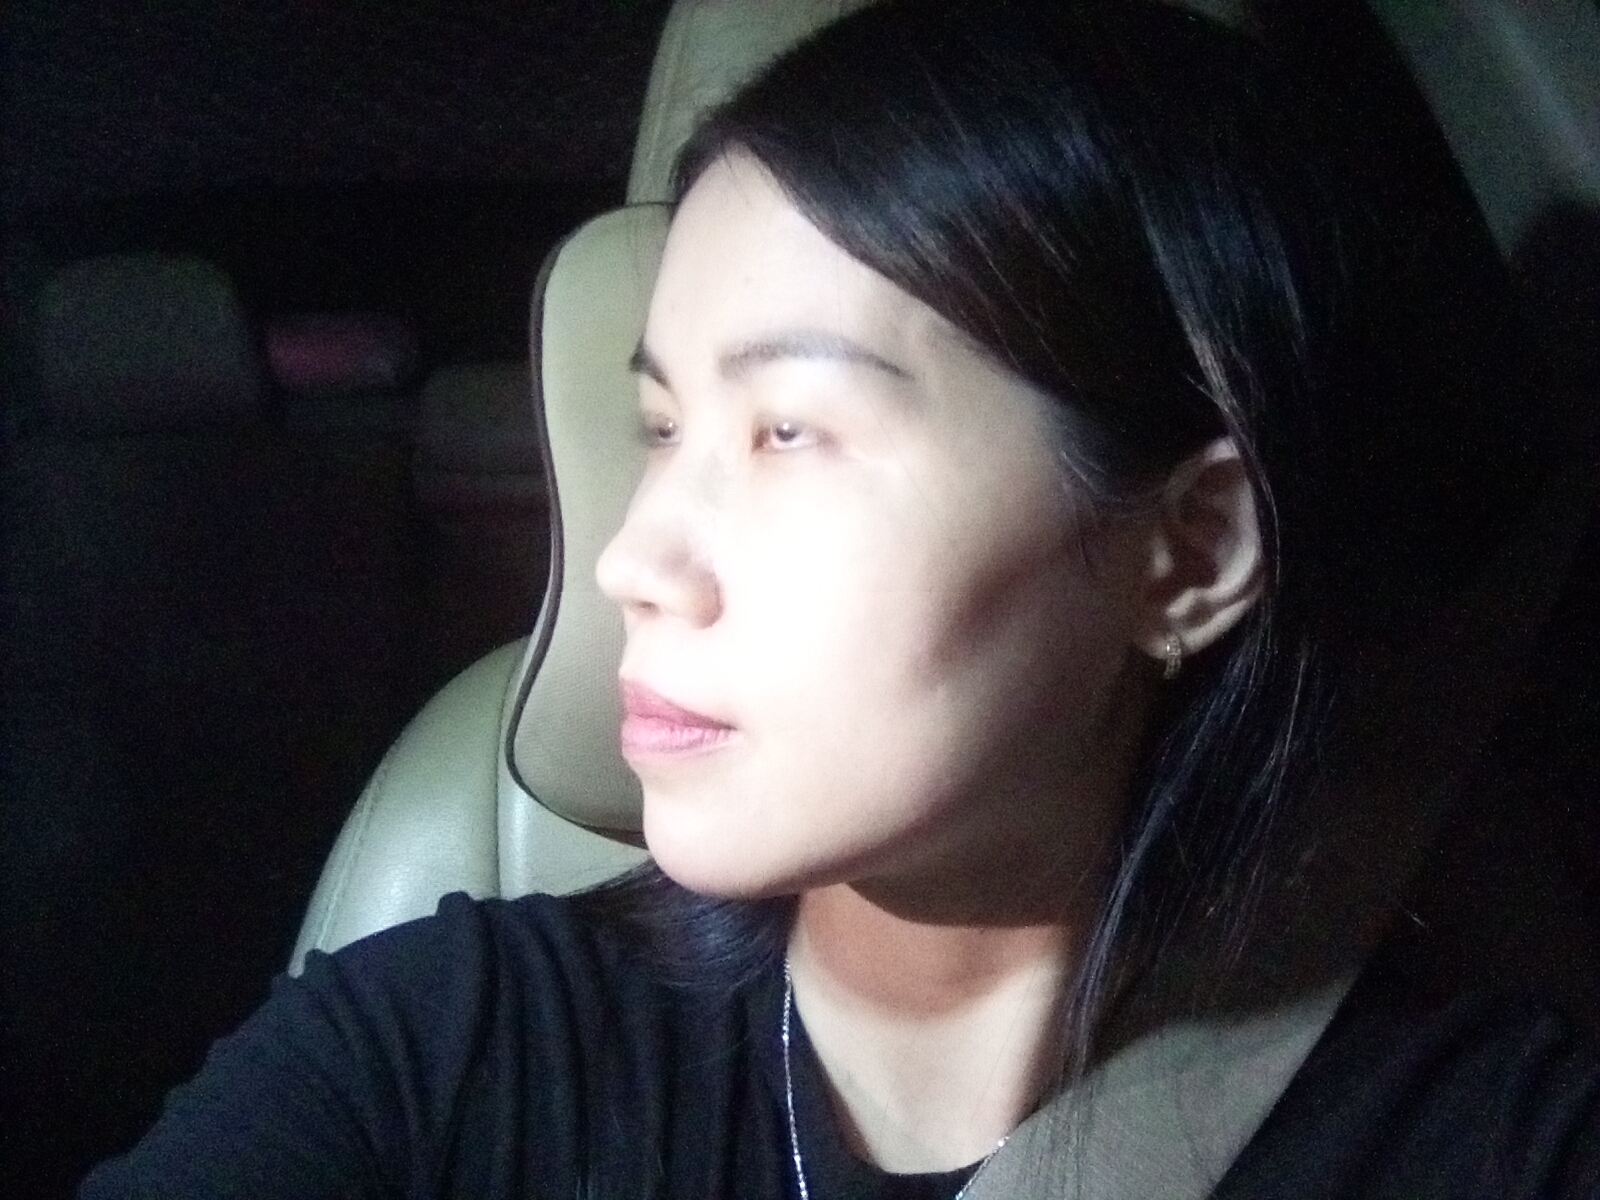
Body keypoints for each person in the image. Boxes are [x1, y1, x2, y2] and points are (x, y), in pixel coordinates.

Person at [80, 1, 1598, 1196]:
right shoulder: (444, 1049)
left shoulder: (1488, 1145)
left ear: (1187, 554)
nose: (632, 561)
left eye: (790, 432)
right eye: (661, 427)